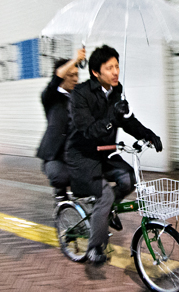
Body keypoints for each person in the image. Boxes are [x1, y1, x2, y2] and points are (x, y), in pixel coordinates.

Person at [65, 44, 162, 264]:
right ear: (95, 72)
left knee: (128, 179)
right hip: (82, 156)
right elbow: (88, 130)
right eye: (109, 67)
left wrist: (149, 135)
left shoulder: (116, 90)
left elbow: (127, 121)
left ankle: (106, 212)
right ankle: (94, 246)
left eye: (117, 66)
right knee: (106, 195)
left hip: (105, 154)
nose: (115, 71)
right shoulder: (80, 94)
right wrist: (111, 118)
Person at [36, 48, 85, 199]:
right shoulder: (51, 98)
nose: (75, 79)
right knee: (60, 177)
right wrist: (76, 60)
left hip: (76, 153)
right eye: (70, 75)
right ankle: (61, 195)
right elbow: (56, 78)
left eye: (77, 75)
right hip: (55, 155)